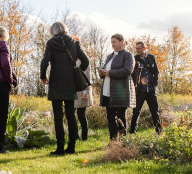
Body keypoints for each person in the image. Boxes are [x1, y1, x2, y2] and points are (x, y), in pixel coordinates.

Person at [40, 22, 89, 155]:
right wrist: (77, 73)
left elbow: (45, 61)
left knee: (58, 117)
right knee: (71, 116)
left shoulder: (51, 42)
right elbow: (86, 61)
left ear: (53, 31)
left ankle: (60, 148)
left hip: (56, 81)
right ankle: (72, 147)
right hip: (70, 82)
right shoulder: (74, 42)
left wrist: (43, 76)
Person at [98, 33, 135, 140]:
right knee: (110, 117)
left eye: (114, 42)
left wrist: (110, 73)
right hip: (107, 90)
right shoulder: (109, 56)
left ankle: (123, 141)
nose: (112, 44)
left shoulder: (127, 55)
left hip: (120, 92)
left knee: (121, 117)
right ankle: (113, 141)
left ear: (122, 41)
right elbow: (107, 71)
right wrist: (102, 73)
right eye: (111, 42)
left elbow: (128, 70)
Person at [129, 41, 162, 135]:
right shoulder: (134, 59)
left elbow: (156, 72)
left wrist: (154, 84)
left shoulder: (151, 57)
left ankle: (159, 132)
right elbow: (132, 74)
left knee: (155, 112)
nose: (137, 50)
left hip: (151, 90)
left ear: (144, 48)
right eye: (136, 48)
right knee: (136, 112)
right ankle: (132, 132)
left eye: (139, 48)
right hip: (140, 91)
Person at [74, 52, 94, 141]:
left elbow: (88, 78)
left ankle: (84, 138)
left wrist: (86, 92)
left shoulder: (84, 61)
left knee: (81, 115)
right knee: (70, 114)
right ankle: (75, 136)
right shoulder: (70, 60)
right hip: (72, 92)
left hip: (82, 91)